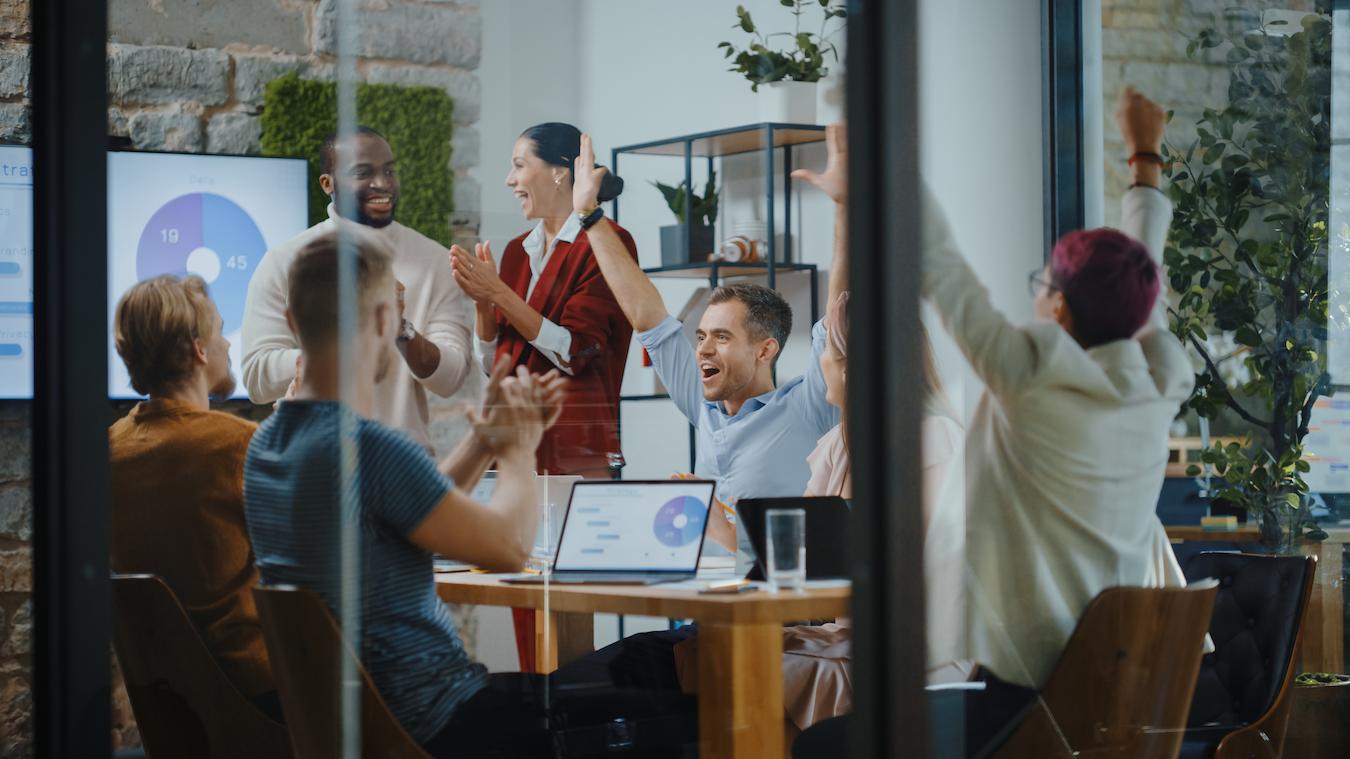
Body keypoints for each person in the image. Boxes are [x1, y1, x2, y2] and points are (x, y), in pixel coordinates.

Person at [794, 87, 1192, 758]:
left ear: (1060, 310)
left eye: (1042, 285)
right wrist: (1142, 162)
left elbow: (941, 262)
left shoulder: (1029, 376)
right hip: (1112, 690)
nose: (1034, 295)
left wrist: (868, 171)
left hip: (1030, 699)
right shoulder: (1151, 388)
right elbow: (1136, 288)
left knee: (823, 748)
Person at [243, 229, 688, 757]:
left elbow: (414, 508)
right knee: (684, 701)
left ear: (293, 323)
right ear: (387, 321)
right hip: (443, 726)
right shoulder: (369, 449)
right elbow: (507, 547)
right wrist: (519, 446)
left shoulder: (267, 449)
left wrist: (484, 439)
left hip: (363, 724)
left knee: (640, 662)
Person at [572, 132, 843, 563]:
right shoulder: (703, 403)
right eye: (700, 337)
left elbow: (836, 320)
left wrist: (843, 210)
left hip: (780, 611)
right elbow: (647, 317)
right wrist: (589, 217)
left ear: (765, 350)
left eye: (721, 337)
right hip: (706, 603)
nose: (703, 349)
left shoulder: (808, 406)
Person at [241, 125, 474, 453]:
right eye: (363, 173)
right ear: (328, 183)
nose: (382, 184)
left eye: (389, 171)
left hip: (404, 467)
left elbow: (450, 379)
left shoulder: (432, 259)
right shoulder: (285, 261)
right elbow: (256, 377)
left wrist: (400, 329)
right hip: (311, 459)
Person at [108, 274, 279, 719]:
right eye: (220, 331)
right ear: (199, 349)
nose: (227, 344)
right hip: (257, 698)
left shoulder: (108, 451)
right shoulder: (237, 444)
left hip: (169, 709)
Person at [450, 122, 638, 479]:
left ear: (558, 173)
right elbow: (495, 365)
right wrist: (483, 303)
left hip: (576, 449)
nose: (509, 179)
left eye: (519, 165)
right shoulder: (518, 252)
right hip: (511, 445)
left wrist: (499, 293)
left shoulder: (609, 243)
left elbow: (575, 353)